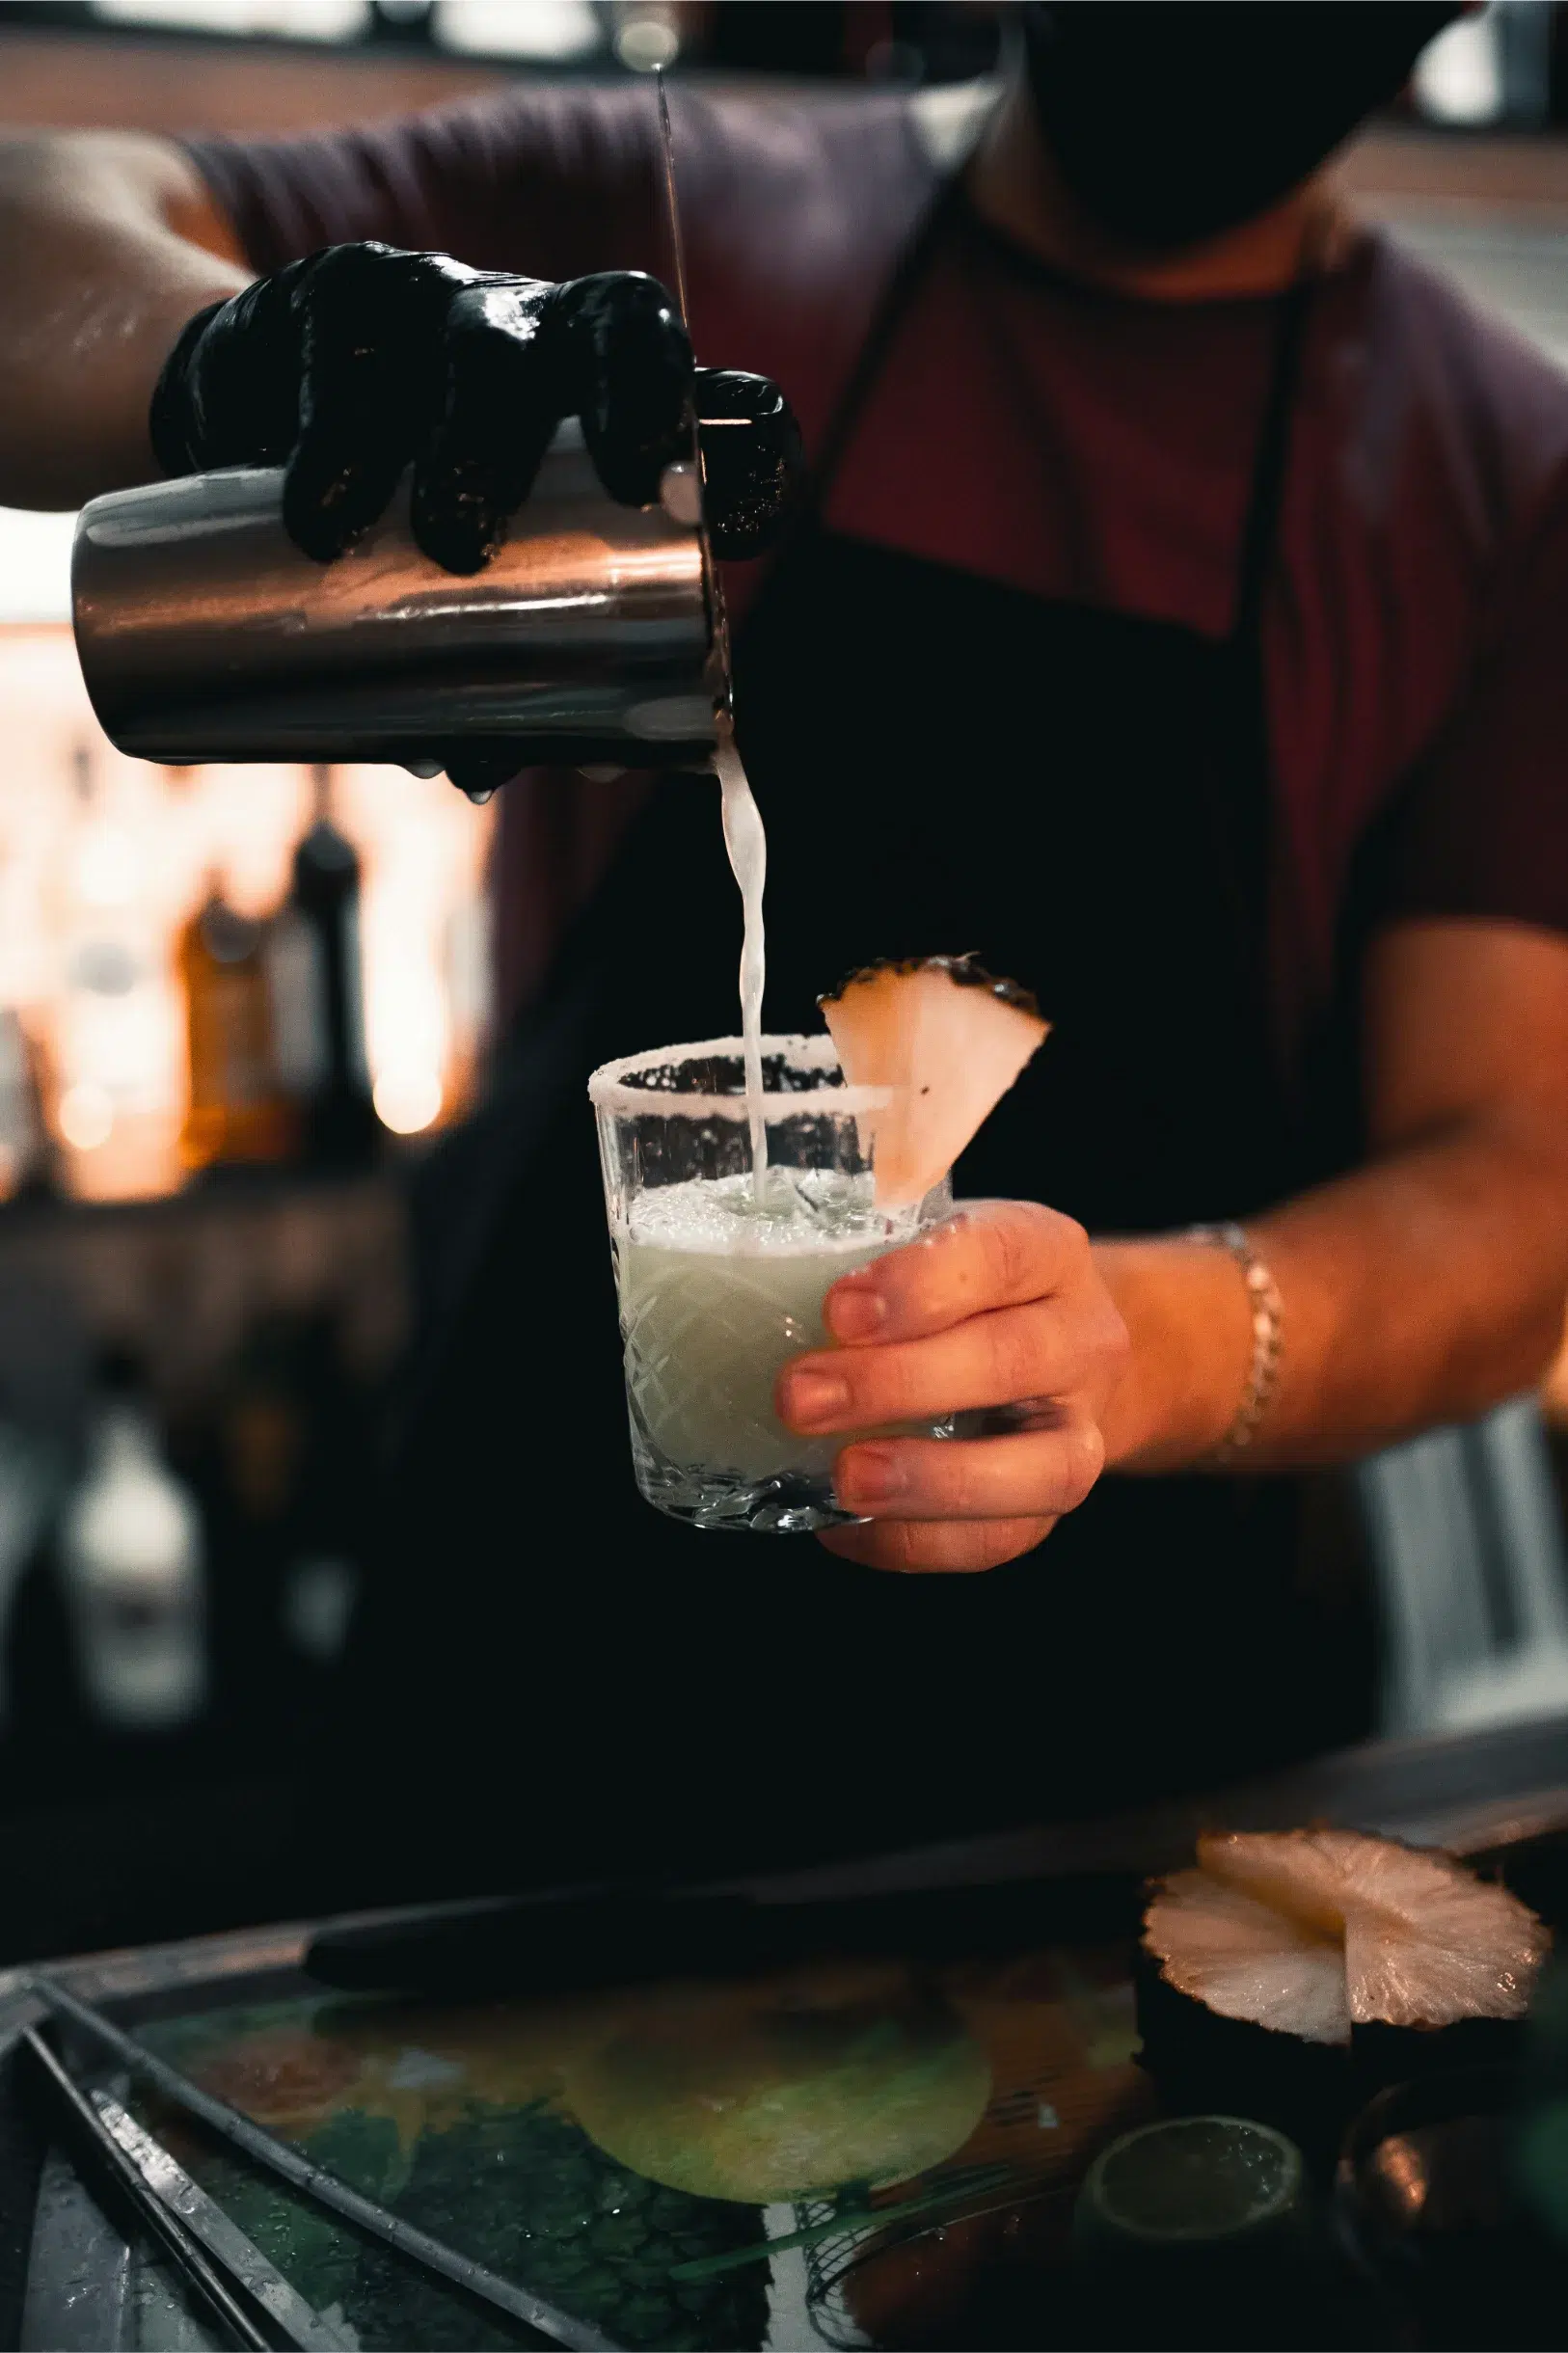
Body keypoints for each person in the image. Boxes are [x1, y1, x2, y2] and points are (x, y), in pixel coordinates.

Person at [5, 2, 1568, 1902]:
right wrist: (239, 366)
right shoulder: (664, 211)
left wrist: (1129, 1347)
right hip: (549, 1648)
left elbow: (1516, 1187)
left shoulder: (1493, 464)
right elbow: (40, 217)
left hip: (1118, 1755)